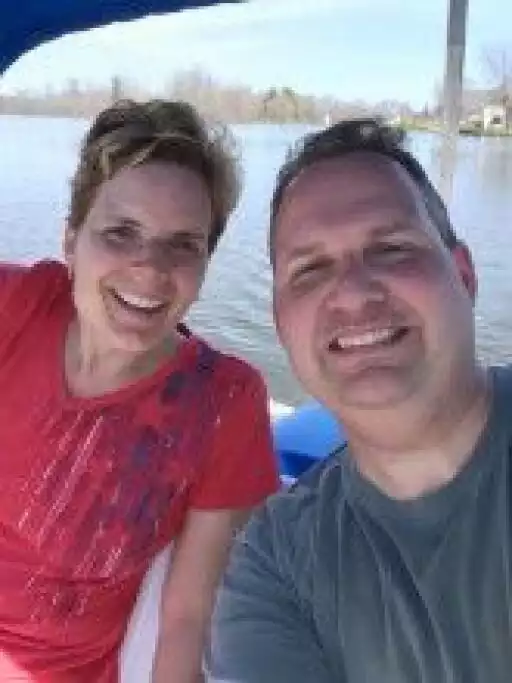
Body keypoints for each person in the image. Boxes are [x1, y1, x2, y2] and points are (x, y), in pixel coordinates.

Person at [209, 118, 512, 683]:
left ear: (465, 277)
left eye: (392, 249)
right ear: (281, 323)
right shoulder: (275, 567)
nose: (351, 292)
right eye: (310, 269)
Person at [0, 98, 279, 683]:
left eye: (183, 244)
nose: (150, 269)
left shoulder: (225, 402)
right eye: (121, 233)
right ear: (71, 241)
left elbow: (186, 621)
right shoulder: (15, 305)